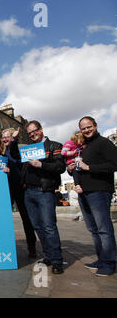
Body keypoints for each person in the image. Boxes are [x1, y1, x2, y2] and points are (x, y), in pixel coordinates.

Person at [72, 116, 117, 276]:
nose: (86, 130)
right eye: (83, 128)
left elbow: (114, 164)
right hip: (85, 193)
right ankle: (102, 259)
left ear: (95, 126)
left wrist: (89, 167)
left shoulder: (104, 143)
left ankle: (110, 263)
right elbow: (81, 169)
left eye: (89, 127)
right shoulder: (85, 147)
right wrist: (75, 171)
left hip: (100, 191)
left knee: (104, 229)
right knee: (94, 229)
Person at [21, 120, 65, 274]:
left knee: (49, 226)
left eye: (35, 131)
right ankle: (48, 256)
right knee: (37, 226)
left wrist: (41, 165)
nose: (33, 134)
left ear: (41, 129)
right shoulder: (29, 149)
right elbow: (23, 169)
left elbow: (60, 167)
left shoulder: (55, 146)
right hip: (29, 192)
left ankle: (57, 261)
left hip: (44, 191)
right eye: (30, 133)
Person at [2, 128, 37, 258]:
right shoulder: (3, 153)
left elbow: (15, 154)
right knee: (4, 217)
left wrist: (14, 140)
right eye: (4, 137)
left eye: (8, 136)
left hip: (20, 189)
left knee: (26, 219)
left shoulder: (17, 149)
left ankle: (31, 245)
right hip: (6, 189)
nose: (5, 139)